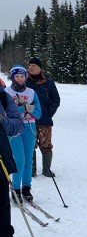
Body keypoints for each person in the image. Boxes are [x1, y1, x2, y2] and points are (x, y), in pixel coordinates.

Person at [5, 66, 42, 203]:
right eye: (17, 76)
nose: (20, 79)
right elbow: (6, 113)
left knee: (28, 160)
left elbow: (38, 113)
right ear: (12, 77)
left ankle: (26, 188)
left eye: (22, 76)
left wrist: (28, 109)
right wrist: (24, 107)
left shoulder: (31, 92)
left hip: (29, 127)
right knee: (19, 160)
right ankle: (16, 190)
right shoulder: (7, 92)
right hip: (14, 128)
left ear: (25, 77)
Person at [0, 79, 24, 237]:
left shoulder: (3, 96)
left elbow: (17, 125)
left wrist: (2, 120)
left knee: (1, 203)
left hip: (0, 156)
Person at [26, 56, 61, 177]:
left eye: (33, 66)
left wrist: (48, 112)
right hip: (29, 120)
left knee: (46, 145)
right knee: (31, 145)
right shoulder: (24, 81)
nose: (30, 68)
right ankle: (31, 171)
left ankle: (47, 170)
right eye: (29, 66)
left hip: (44, 120)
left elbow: (56, 99)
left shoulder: (49, 82)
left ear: (40, 68)